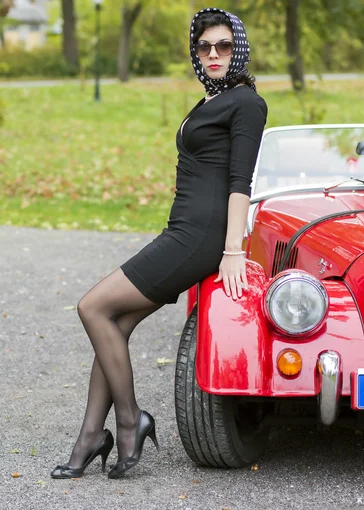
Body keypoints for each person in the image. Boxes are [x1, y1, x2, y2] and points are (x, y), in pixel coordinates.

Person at [50, 7, 267, 480]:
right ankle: (90, 437)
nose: (213, 54)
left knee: (93, 307)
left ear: (239, 51)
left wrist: (233, 251)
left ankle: (129, 423)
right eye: (204, 46)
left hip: (200, 238)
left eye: (224, 46)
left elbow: (239, 182)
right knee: (115, 323)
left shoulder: (247, 103)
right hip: (182, 230)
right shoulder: (211, 101)